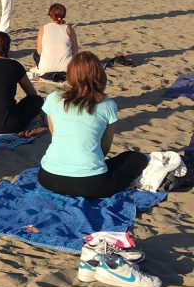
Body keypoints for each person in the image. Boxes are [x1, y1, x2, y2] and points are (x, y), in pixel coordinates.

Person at [38, 52, 147, 198]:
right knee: (136, 158)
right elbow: (105, 147)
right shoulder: (108, 105)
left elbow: (55, 134)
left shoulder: (53, 98)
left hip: (48, 177)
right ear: (99, 75)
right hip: (90, 185)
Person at [34, 3, 78, 80]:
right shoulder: (69, 29)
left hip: (45, 70)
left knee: (36, 54)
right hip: (67, 69)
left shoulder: (43, 28)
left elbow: (39, 52)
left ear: (50, 15)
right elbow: (75, 52)